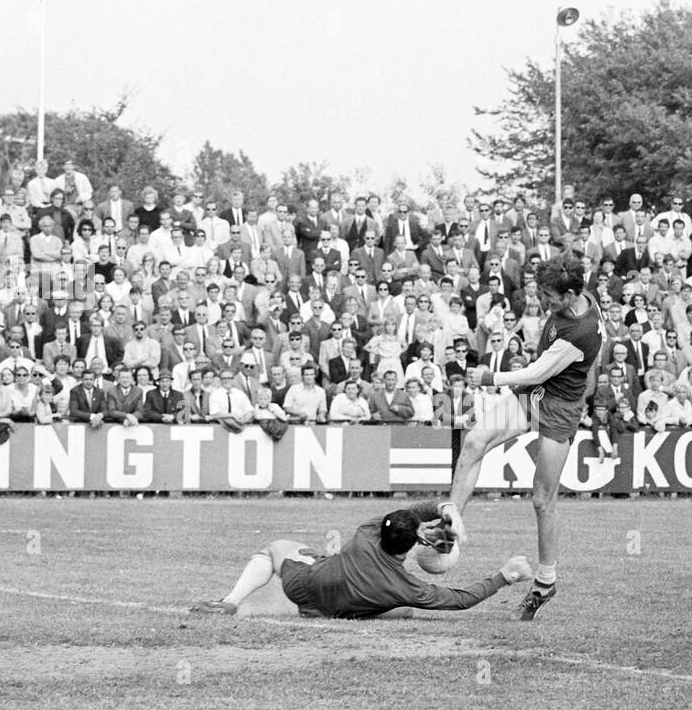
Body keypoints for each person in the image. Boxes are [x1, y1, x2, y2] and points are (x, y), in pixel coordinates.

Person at [448, 253, 604, 622]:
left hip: (559, 406)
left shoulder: (580, 331)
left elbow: (534, 373)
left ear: (569, 294)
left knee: (541, 499)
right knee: (473, 442)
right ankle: (449, 525)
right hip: (537, 396)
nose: (542, 302)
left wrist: (488, 378)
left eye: (549, 296)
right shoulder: (581, 298)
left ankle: (546, 581)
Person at [189, 500, 530, 620]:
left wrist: (441, 510)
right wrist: (505, 575)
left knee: (276, 548)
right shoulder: (407, 586)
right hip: (337, 610)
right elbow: (459, 600)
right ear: (413, 545)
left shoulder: (366, 532)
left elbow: (407, 515)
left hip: (304, 586)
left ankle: (231, 601)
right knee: (404, 609)